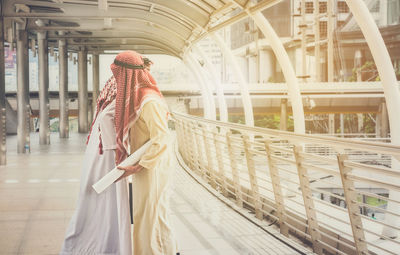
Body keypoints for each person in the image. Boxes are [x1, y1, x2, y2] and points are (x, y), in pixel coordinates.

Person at [113, 51, 177, 255]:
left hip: (153, 166)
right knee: (155, 215)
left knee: (149, 218)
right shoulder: (140, 98)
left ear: (127, 75)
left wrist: (141, 165)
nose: (117, 80)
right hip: (149, 164)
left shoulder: (148, 101)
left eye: (119, 74)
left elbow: (162, 137)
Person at [60, 75, 131, 254]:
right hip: (108, 158)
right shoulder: (116, 102)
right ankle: (107, 245)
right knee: (108, 205)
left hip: (99, 156)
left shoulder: (106, 102)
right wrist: (120, 149)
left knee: (97, 205)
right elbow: (112, 124)